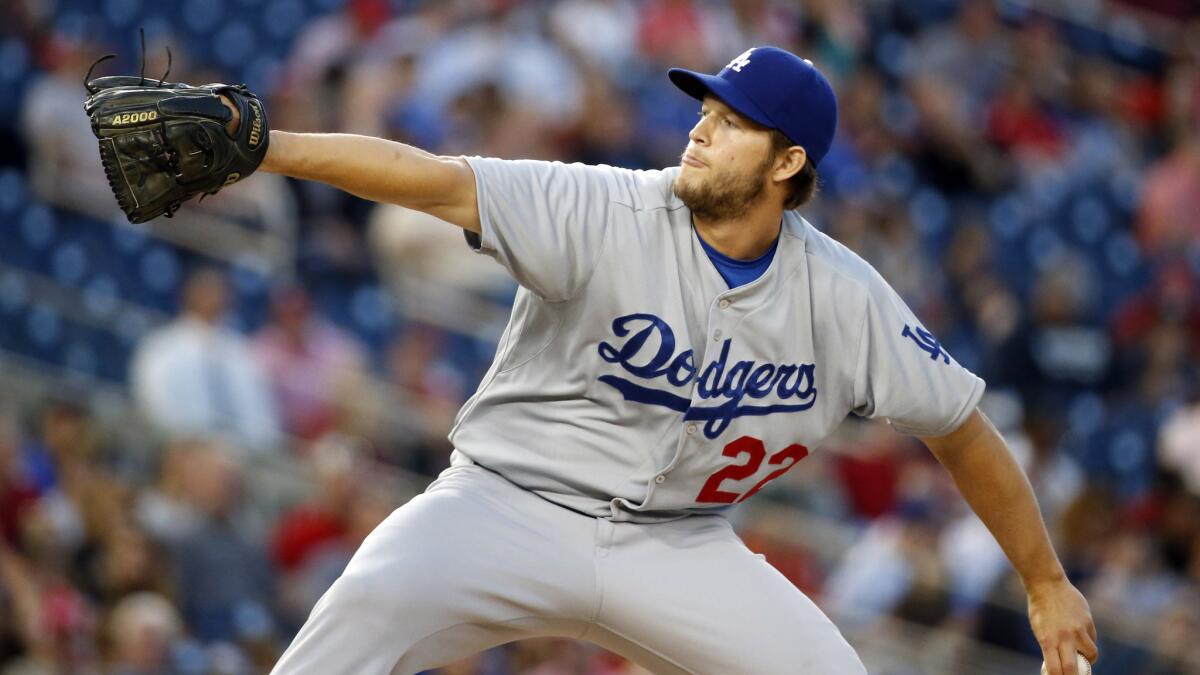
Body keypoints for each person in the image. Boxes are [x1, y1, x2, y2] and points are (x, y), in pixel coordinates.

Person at [218, 46, 1096, 675]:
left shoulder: (844, 295)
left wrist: (1046, 579)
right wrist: (269, 148)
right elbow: (437, 179)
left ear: (789, 162)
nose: (701, 132)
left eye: (732, 122)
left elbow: (961, 429)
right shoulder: (605, 205)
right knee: (351, 627)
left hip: (675, 544)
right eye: (705, 112)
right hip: (505, 506)